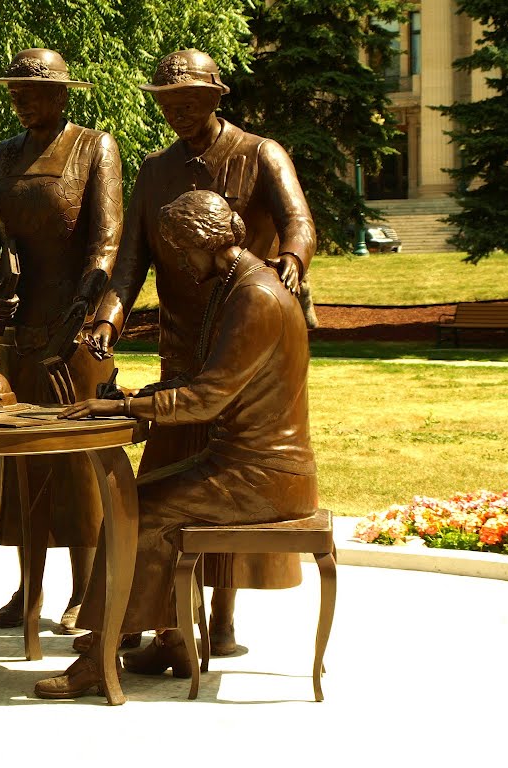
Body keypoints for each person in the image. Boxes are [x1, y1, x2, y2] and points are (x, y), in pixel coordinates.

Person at [35, 190, 318, 697]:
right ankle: (174, 642)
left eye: (184, 251)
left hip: (265, 475)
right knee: (143, 502)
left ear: (206, 242)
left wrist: (124, 408)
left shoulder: (256, 296)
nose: (183, 264)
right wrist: (140, 396)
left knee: (135, 509)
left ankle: (100, 657)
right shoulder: (242, 285)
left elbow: (207, 398)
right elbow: (210, 380)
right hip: (248, 464)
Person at [88, 49, 317, 655]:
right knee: (175, 472)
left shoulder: (259, 153)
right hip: (184, 344)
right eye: (168, 106)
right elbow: (131, 260)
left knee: (216, 476)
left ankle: (218, 619)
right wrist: (109, 320)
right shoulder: (153, 170)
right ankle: (168, 624)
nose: (179, 114)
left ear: (216, 98)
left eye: (189, 103)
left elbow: (299, 220)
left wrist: (289, 265)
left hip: (244, 332)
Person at [0, 48, 123, 632]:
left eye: (30, 91)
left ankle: (85, 589)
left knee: (75, 461)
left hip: (74, 335)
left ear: (61, 95)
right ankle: (27, 587)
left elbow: (107, 241)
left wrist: (82, 314)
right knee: (18, 461)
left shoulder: (93, 147)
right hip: (18, 331)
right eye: (14, 92)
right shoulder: (4, 157)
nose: (19, 99)